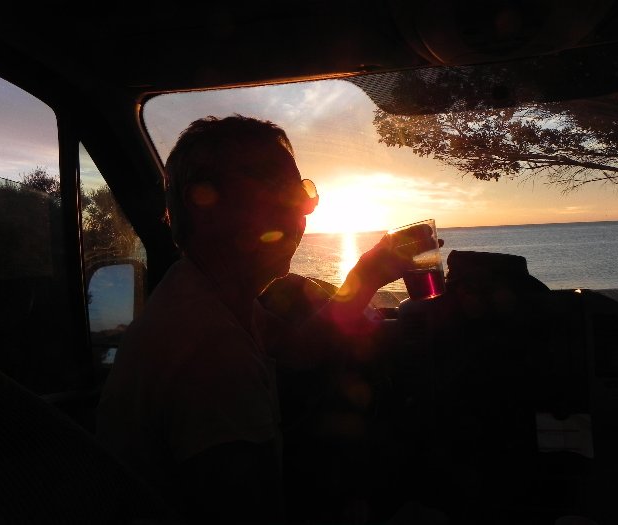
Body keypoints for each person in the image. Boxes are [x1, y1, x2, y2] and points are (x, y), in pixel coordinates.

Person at [96, 115, 437, 524]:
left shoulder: (202, 292)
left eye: (301, 193)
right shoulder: (213, 352)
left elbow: (299, 349)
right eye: (275, 189)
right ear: (203, 204)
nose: (301, 210)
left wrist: (365, 275)